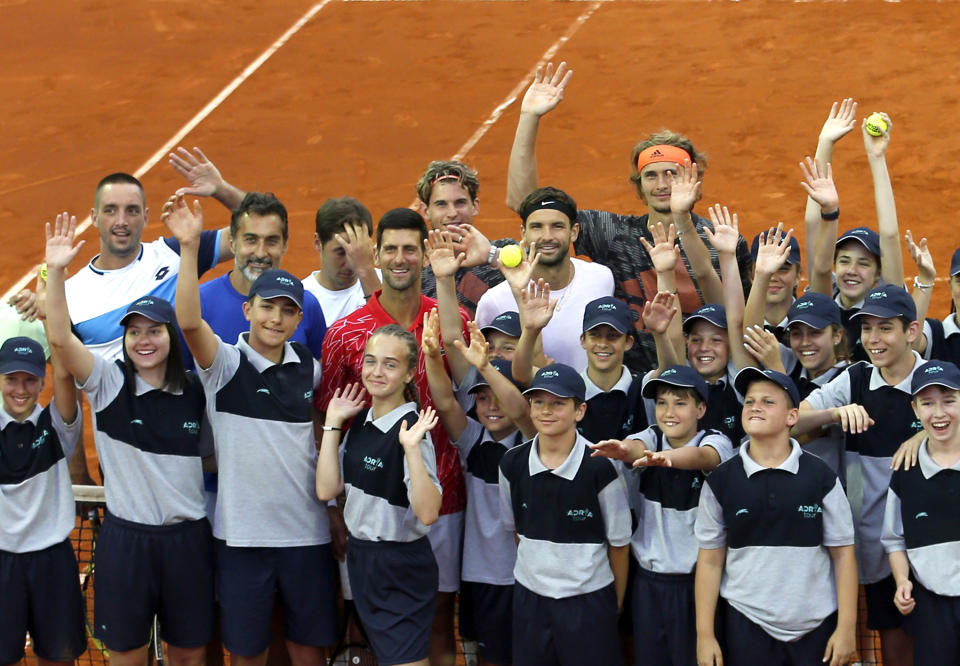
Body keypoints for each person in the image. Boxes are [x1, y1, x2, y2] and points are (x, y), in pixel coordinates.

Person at [167, 195, 336, 666]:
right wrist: (187, 249)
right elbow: (187, 320)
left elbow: (322, 432)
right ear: (247, 310)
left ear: (299, 319)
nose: (275, 318)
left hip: (307, 535)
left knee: (308, 651)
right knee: (246, 653)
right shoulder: (223, 365)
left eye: (286, 310)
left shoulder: (311, 370)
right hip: (241, 538)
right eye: (266, 308)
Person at [45, 214, 214, 666]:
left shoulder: (196, 392)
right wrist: (57, 271)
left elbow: (211, 459)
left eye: (154, 330)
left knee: (188, 657)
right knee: (126, 657)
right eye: (134, 331)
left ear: (169, 336)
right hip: (127, 542)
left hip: (187, 540)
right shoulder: (106, 382)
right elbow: (60, 341)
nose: (144, 340)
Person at [506, 62, 751, 372]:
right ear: (639, 185)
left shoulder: (723, 241)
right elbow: (527, 204)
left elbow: (742, 316)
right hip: (635, 383)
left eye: (671, 174)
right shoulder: (613, 233)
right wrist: (529, 118)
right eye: (651, 176)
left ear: (692, 177)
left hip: (708, 377)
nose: (661, 185)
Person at [317, 208, 468, 666]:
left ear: (423, 253)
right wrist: (336, 511)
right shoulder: (344, 334)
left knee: (441, 620)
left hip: (444, 496)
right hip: (371, 506)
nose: (400, 258)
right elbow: (329, 418)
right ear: (376, 257)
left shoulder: (451, 318)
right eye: (391, 250)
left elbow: (463, 387)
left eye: (409, 248)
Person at [796, 284, 925, 666]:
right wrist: (834, 414)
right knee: (891, 640)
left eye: (885, 328)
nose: (873, 339)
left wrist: (926, 433)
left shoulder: (934, 381)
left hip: (928, 538)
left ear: (911, 332)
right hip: (872, 541)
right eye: (867, 329)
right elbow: (793, 421)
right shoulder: (853, 379)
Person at [695, 368, 857, 666]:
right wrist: (704, 635)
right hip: (747, 623)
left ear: (792, 417)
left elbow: (844, 555)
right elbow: (710, 560)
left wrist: (847, 628)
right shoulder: (720, 481)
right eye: (749, 401)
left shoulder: (822, 476)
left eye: (768, 402)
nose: (755, 406)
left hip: (817, 624)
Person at [316, 326, 443, 666]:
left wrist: (412, 451)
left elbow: (428, 512)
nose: (376, 371)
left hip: (399, 564)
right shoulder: (361, 420)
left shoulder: (413, 430)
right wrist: (332, 422)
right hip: (362, 558)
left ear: (409, 373)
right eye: (370, 361)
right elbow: (327, 489)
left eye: (390, 364)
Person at [591, 364, 733, 666]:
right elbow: (634, 446)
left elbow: (701, 457)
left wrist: (664, 459)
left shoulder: (716, 440)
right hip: (647, 584)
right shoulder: (652, 437)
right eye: (662, 403)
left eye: (680, 403)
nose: (669, 411)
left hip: (698, 585)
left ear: (701, 408)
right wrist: (624, 449)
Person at [498, 363, 631, 666]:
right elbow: (516, 530)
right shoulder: (511, 463)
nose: (547, 410)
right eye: (539, 402)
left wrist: (614, 603)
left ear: (579, 411)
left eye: (558, 403)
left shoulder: (601, 467)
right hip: (530, 598)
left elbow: (620, 545)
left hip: (589, 600)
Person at [423, 313, 534, 666]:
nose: (492, 406)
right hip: (480, 574)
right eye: (482, 399)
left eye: (497, 396)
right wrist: (429, 356)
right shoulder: (473, 438)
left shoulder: (531, 440)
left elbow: (519, 407)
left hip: (527, 576)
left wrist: (486, 368)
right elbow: (444, 403)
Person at [63, 172, 232, 360]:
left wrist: (222, 190)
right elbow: (66, 372)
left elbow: (255, 229)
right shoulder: (69, 295)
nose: (121, 221)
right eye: (110, 210)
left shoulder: (178, 253)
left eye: (132, 210)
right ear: (94, 217)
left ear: (145, 217)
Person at [0, 336, 86, 666]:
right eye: (11, 379)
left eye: (30, 380)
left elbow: (66, 373)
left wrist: (49, 312)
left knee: (59, 658)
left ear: (42, 381)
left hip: (52, 561)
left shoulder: (57, 426)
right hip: (3, 561)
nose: (20, 389)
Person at [476, 187, 614, 371]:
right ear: (523, 233)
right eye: (537, 227)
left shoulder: (601, 278)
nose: (547, 236)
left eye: (557, 226)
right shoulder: (494, 301)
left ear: (574, 231)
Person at [882, 360, 960, 664]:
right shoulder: (904, 471)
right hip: (930, 604)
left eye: (949, 401)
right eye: (927, 404)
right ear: (915, 410)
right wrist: (903, 581)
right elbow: (893, 540)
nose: (938, 414)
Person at [195, 192, 327, 362]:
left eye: (271, 241)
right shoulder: (199, 305)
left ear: (284, 245)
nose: (260, 252)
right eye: (251, 240)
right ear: (232, 244)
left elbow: (319, 373)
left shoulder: (306, 305)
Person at [416, 160, 509, 318]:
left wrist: (491, 255)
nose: (452, 213)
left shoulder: (504, 250)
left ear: (475, 206)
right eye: (441, 204)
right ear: (426, 211)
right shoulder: (420, 278)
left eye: (460, 202)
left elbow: (538, 273)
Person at [303, 196, 381, 324]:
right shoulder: (300, 299)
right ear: (318, 243)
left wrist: (367, 273)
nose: (351, 264)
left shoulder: (387, 286)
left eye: (358, 251)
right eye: (341, 252)